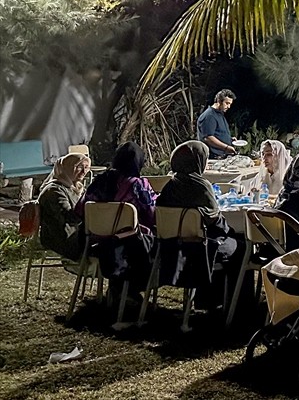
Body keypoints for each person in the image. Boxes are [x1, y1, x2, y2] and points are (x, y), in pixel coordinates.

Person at [156, 141, 243, 296]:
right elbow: (215, 221)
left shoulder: (169, 186)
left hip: (169, 248)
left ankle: (207, 298)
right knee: (240, 247)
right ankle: (231, 302)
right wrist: (230, 230)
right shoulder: (201, 186)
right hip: (201, 249)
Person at [77, 141, 156, 294]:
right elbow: (152, 214)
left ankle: (118, 289)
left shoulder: (99, 181)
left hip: (94, 242)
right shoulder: (139, 185)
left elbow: (80, 209)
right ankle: (132, 290)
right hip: (127, 243)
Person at [37, 152, 89, 260]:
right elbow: (70, 218)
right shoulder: (54, 191)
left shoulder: (75, 187)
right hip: (62, 238)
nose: (84, 171)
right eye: (79, 167)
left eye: (86, 167)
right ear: (67, 168)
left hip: (74, 233)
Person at [196, 89, 237, 159]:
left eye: (230, 104)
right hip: (214, 157)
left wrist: (229, 139)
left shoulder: (219, 114)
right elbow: (208, 138)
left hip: (222, 156)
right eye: (227, 103)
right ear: (219, 101)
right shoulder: (209, 116)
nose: (229, 107)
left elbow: (218, 133)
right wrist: (226, 147)